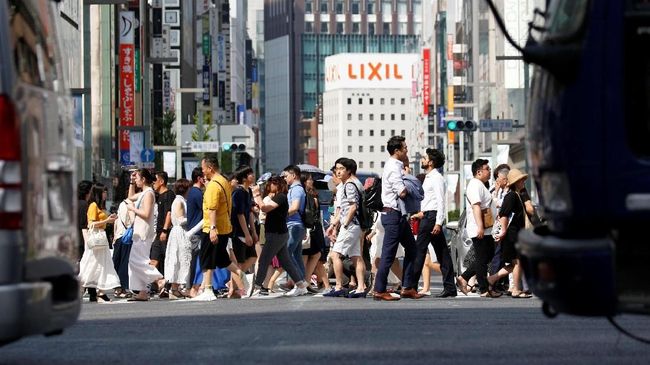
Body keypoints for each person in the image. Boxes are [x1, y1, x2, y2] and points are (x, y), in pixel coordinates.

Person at [192, 154, 248, 301]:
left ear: (210, 168)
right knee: (221, 258)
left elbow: (212, 208)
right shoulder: (223, 181)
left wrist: (212, 228)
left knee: (207, 258)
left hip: (212, 228)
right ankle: (241, 274)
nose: (202, 171)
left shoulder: (213, 185)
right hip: (225, 227)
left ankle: (208, 289)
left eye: (203, 168)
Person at [373, 136, 422, 301]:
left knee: (412, 249)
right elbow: (401, 191)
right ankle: (379, 289)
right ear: (397, 151)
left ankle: (407, 287)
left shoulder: (397, 166)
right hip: (392, 214)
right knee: (388, 254)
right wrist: (410, 182)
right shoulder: (393, 167)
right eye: (405, 148)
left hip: (398, 215)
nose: (407, 150)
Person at [250, 175, 309, 297]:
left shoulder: (281, 197)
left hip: (276, 234)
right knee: (286, 262)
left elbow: (265, 208)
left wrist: (256, 195)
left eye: (270, 184)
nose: (268, 186)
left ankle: (257, 287)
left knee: (263, 260)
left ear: (277, 184)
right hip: (279, 234)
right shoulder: (278, 197)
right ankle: (301, 285)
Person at [411, 148, 457, 298]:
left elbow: (440, 201)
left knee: (419, 250)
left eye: (424, 158)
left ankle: (411, 286)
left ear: (430, 162)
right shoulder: (429, 177)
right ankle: (450, 287)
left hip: (432, 218)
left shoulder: (436, 178)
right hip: (428, 216)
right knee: (443, 253)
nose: (422, 160)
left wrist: (438, 222)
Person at [456, 159, 502, 298]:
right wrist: (480, 227)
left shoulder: (480, 185)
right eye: (487, 169)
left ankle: (464, 278)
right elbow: (476, 206)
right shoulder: (475, 185)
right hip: (479, 228)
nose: (489, 171)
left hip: (486, 228)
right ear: (479, 172)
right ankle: (483, 289)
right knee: (482, 258)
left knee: (486, 256)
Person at [325, 158, 368, 298]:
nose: (338, 171)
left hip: (350, 225)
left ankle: (338, 286)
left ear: (349, 170)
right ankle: (361, 287)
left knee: (335, 254)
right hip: (355, 225)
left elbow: (352, 207)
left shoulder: (349, 185)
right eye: (337, 168)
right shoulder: (352, 183)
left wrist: (343, 224)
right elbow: (343, 209)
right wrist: (333, 225)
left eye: (342, 168)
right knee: (356, 257)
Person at [488, 169, 533, 298]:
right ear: (516, 182)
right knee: (517, 262)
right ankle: (516, 290)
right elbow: (503, 214)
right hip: (512, 234)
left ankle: (492, 279)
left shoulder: (519, 195)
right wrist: (503, 231)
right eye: (521, 180)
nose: (523, 181)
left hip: (516, 233)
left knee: (515, 264)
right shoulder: (512, 195)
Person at [126, 169, 166, 301]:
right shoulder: (144, 193)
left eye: (137, 178)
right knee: (139, 260)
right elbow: (130, 198)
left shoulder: (148, 194)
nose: (136, 180)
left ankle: (159, 279)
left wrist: (133, 209)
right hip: (140, 231)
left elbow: (146, 214)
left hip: (144, 232)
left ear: (143, 180)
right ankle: (142, 291)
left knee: (136, 261)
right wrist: (131, 183)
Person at [78, 183, 121, 302]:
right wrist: (107, 220)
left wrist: (109, 220)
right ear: (98, 193)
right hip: (96, 237)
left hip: (101, 237)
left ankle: (100, 292)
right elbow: (91, 224)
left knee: (103, 265)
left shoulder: (99, 206)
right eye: (104, 192)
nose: (105, 194)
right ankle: (81, 288)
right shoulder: (92, 205)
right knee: (91, 264)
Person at [164, 178, 193, 299]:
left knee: (178, 258)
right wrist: (193, 218)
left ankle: (175, 288)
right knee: (181, 257)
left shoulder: (180, 200)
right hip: (180, 232)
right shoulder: (179, 201)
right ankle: (175, 288)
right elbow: (180, 220)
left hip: (177, 232)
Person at [300, 172, 326, 293]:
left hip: (310, 229)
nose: (312, 181)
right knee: (311, 255)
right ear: (305, 181)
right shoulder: (305, 195)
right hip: (310, 229)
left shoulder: (310, 194)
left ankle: (305, 281)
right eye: (310, 179)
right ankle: (304, 282)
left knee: (309, 255)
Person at [283, 165, 307, 285]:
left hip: (294, 225)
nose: (284, 178)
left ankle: (298, 283)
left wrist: (281, 215)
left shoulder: (296, 189)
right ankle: (302, 281)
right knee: (296, 256)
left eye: (286, 176)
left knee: (286, 254)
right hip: (297, 225)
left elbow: (295, 207)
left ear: (293, 175)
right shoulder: (297, 188)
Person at [151, 171, 175, 287]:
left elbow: (169, 213)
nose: (153, 183)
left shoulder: (169, 194)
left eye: (154, 180)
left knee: (167, 259)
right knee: (153, 260)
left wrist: (165, 230)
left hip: (166, 232)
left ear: (161, 181)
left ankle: (169, 284)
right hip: (158, 233)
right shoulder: (157, 196)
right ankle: (158, 282)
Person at [186, 167, 205, 297]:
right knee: (195, 261)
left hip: (194, 231)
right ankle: (192, 287)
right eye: (204, 177)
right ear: (199, 178)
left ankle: (195, 287)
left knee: (195, 260)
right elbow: (206, 209)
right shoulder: (197, 193)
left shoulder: (192, 192)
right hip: (196, 232)